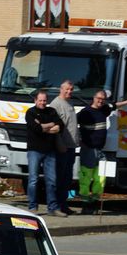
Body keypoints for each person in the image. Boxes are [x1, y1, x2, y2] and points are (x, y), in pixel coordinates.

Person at [76, 90, 127, 214]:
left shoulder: (104, 109)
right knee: (86, 179)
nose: (100, 101)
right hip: (88, 150)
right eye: (98, 98)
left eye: (102, 99)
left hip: (101, 151)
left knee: (100, 178)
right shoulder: (85, 113)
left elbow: (115, 105)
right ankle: (85, 205)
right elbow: (73, 125)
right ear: (94, 98)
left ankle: (95, 203)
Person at [25, 90, 66, 217]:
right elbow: (35, 129)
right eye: (40, 100)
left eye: (44, 100)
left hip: (50, 151)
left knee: (52, 180)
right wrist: (51, 126)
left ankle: (53, 208)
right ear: (35, 100)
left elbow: (61, 125)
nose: (43, 102)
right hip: (34, 151)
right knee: (33, 180)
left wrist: (44, 126)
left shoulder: (51, 111)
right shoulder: (30, 113)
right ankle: (32, 207)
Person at [51, 80, 79, 215]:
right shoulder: (56, 104)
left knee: (67, 178)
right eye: (67, 89)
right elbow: (53, 127)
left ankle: (63, 204)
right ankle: (55, 206)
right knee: (59, 178)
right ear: (60, 89)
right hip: (62, 148)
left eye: (71, 89)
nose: (69, 91)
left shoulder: (69, 103)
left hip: (71, 147)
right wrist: (59, 144)